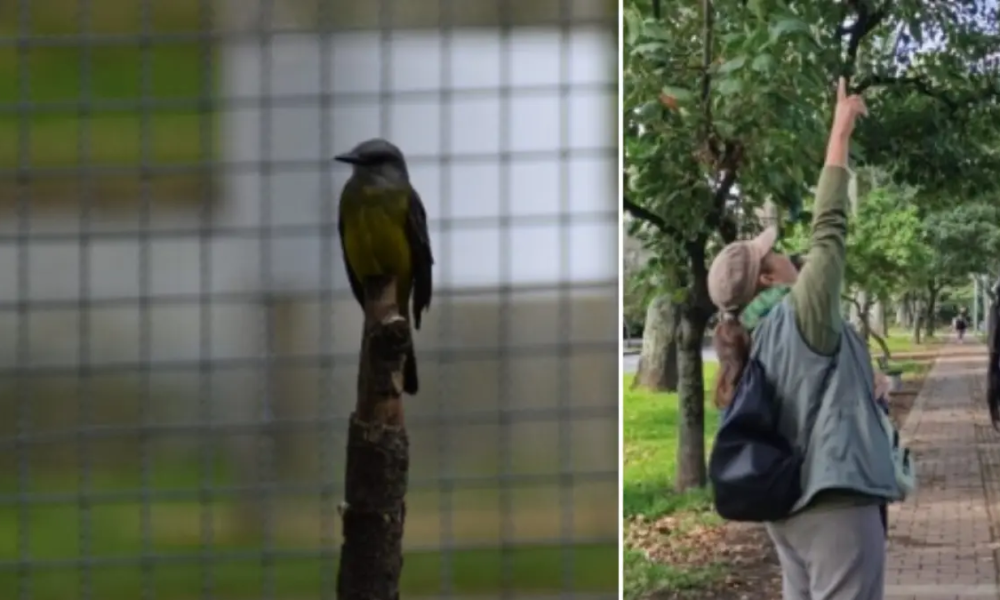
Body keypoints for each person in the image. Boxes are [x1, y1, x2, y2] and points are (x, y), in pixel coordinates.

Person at [708, 78, 898, 600]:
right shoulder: (802, 311)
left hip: (788, 511)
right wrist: (839, 135)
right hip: (834, 507)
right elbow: (830, 227)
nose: (783, 251)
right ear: (767, 279)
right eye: (772, 254)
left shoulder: (757, 336)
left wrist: (867, 388)